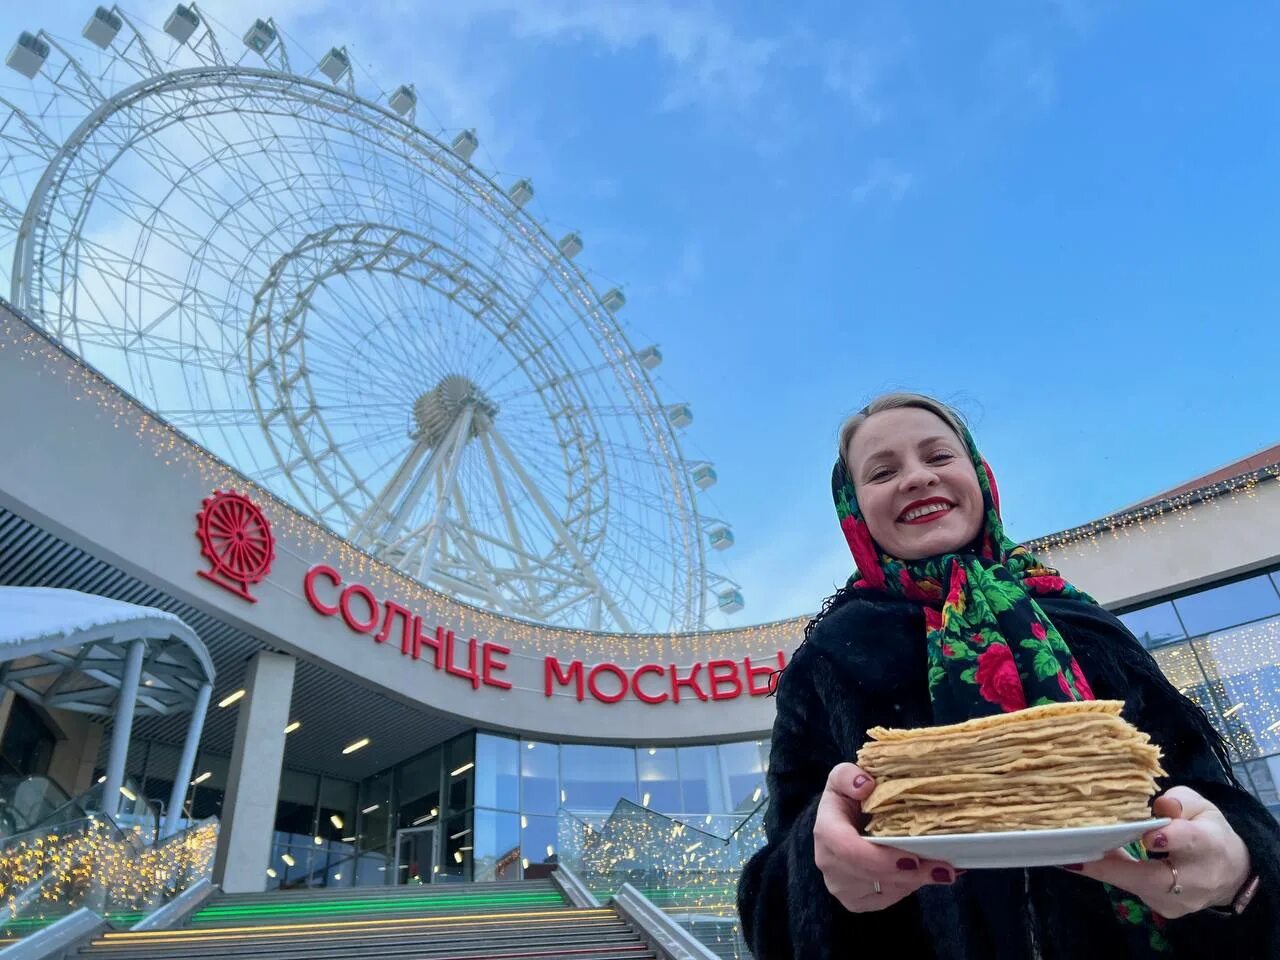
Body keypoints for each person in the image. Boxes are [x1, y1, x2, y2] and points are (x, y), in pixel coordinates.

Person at [737, 392, 1279, 959]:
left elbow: (1203, 794)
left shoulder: (1086, 626)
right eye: (883, 471)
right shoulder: (831, 661)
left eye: (939, 456)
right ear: (854, 509)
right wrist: (822, 872)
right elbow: (770, 906)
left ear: (980, 475)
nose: (918, 478)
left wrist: (1237, 871)